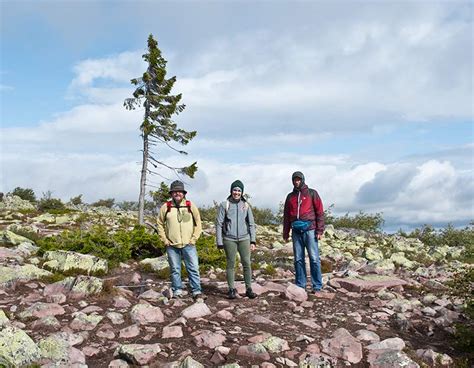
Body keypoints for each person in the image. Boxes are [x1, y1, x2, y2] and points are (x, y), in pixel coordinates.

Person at [157, 180, 205, 300]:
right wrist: (165, 240)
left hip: (189, 244)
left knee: (193, 268)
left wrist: (194, 239)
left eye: (179, 191)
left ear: (183, 193)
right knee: (175, 269)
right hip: (172, 245)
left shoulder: (190, 205)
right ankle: (177, 290)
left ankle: (196, 291)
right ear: (171, 193)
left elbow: (198, 222)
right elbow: (159, 223)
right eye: (174, 191)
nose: (177, 193)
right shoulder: (166, 207)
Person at [283, 171, 325, 293]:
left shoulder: (312, 193)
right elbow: (286, 216)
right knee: (298, 259)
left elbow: (320, 212)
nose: (297, 181)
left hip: (310, 230)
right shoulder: (290, 197)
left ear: (303, 180)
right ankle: (300, 285)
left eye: (298, 179)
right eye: (295, 180)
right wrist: (286, 232)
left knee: (314, 258)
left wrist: (320, 230)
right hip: (296, 231)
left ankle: (317, 285)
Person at [216, 180, 257, 299]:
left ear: (242, 192)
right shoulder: (225, 205)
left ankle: (249, 289)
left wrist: (253, 240)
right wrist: (219, 242)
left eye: (239, 190)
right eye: (235, 190)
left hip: (245, 238)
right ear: (231, 191)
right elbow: (218, 224)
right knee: (231, 264)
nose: (237, 192)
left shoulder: (246, 205)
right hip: (229, 239)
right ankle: (231, 289)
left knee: (247, 263)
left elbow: (251, 224)